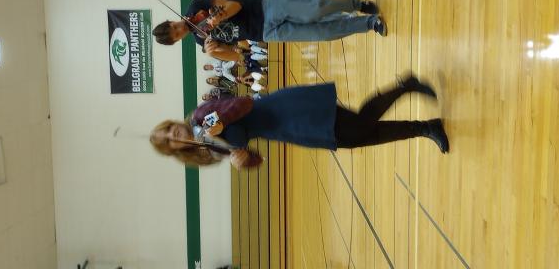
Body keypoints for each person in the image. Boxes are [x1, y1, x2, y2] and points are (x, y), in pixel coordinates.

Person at [149, 74, 449, 169]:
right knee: (360, 137)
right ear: (177, 150)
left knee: (359, 126)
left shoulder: (201, 117)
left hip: (289, 111)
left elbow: (244, 104)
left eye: (169, 130)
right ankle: (425, 127)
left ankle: (406, 90)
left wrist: (220, 122)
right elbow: (256, 157)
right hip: (289, 130)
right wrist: (244, 161)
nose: (174, 134)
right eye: (170, 141)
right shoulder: (209, 148)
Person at [152, 0, 387, 61]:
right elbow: (236, 55)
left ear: (172, 21)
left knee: (315, 9)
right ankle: (369, 23)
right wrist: (214, 53)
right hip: (265, 33)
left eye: (174, 27)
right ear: (177, 41)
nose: (179, 30)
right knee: (322, 33)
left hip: (265, 8)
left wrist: (219, 18)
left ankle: (356, 4)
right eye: (176, 35)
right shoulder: (201, 40)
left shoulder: (197, 6)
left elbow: (234, 5)